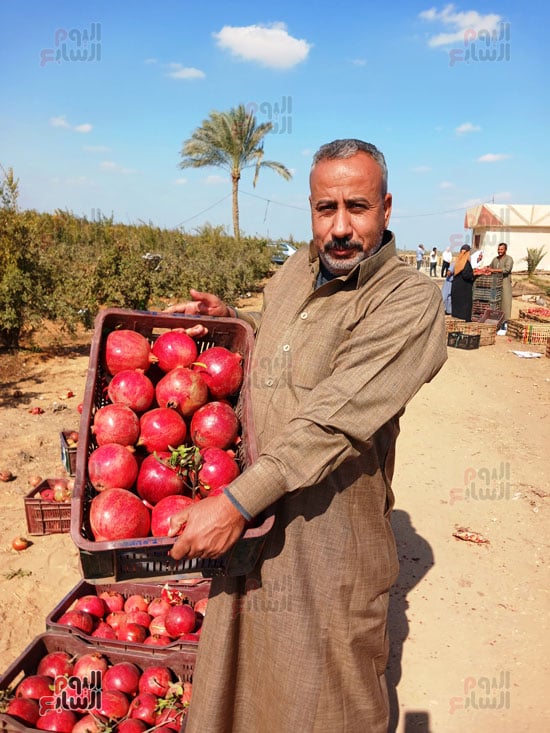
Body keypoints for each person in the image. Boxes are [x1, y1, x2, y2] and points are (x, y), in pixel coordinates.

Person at [166, 139, 447, 732]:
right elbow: (285, 346)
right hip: (249, 524)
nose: (340, 227)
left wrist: (237, 500)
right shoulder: (297, 267)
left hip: (328, 539)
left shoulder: (410, 302)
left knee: (326, 699)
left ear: (387, 208)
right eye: (326, 208)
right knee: (241, 683)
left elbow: (335, 416)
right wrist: (235, 326)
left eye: (357, 207)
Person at [487, 242, 514, 326]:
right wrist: (486, 268)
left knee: (505, 303)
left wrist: (493, 270)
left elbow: (507, 269)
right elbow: (490, 267)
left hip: (505, 284)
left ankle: (505, 324)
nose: (499, 251)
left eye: (501, 249)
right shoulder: (495, 259)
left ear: (505, 250)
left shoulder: (509, 259)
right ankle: (495, 323)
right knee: (494, 303)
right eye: (498, 249)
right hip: (495, 285)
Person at [451, 244, 475, 321]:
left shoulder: (458, 262)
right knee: (464, 309)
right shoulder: (466, 263)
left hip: (456, 288)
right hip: (464, 289)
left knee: (457, 309)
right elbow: (466, 275)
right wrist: (474, 274)